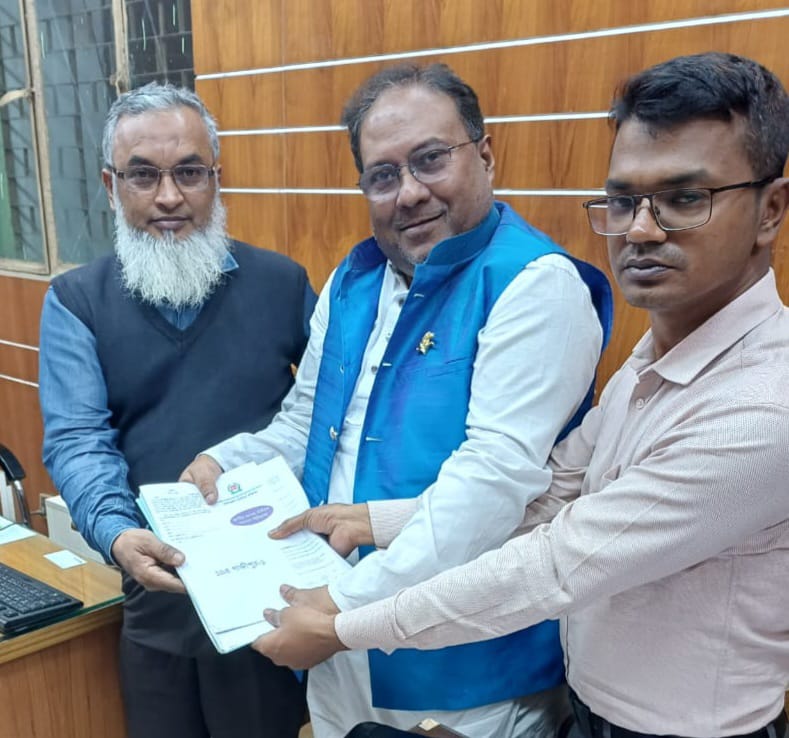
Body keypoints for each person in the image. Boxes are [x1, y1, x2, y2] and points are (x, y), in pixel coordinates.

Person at [253, 52, 789, 738]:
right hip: (587, 709)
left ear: (770, 210)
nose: (640, 230)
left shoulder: (762, 408)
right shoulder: (656, 360)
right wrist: (380, 521)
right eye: (622, 201)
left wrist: (344, 622)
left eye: (685, 199)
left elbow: (555, 564)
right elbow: (558, 489)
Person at [181, 63, 612, 738]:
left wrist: (341, 606)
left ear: (486, 154)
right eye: (383, 175)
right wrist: (223, 462)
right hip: (334, 635)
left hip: (460, 659)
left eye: (430, 159)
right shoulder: (354, 278)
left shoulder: (534, 285)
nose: (409, 192)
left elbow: (491, 484)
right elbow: (304, 424)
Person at [38, 82, 313, 738]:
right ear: (111, 186)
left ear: (216, 179)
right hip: (155, 593)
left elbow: (324, 417)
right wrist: (114, 532)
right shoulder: (76, 301)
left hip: (271, 598)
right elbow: (77, 438)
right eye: (143, 175)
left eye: (189, 172)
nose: (168, 196)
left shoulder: (284, 285)